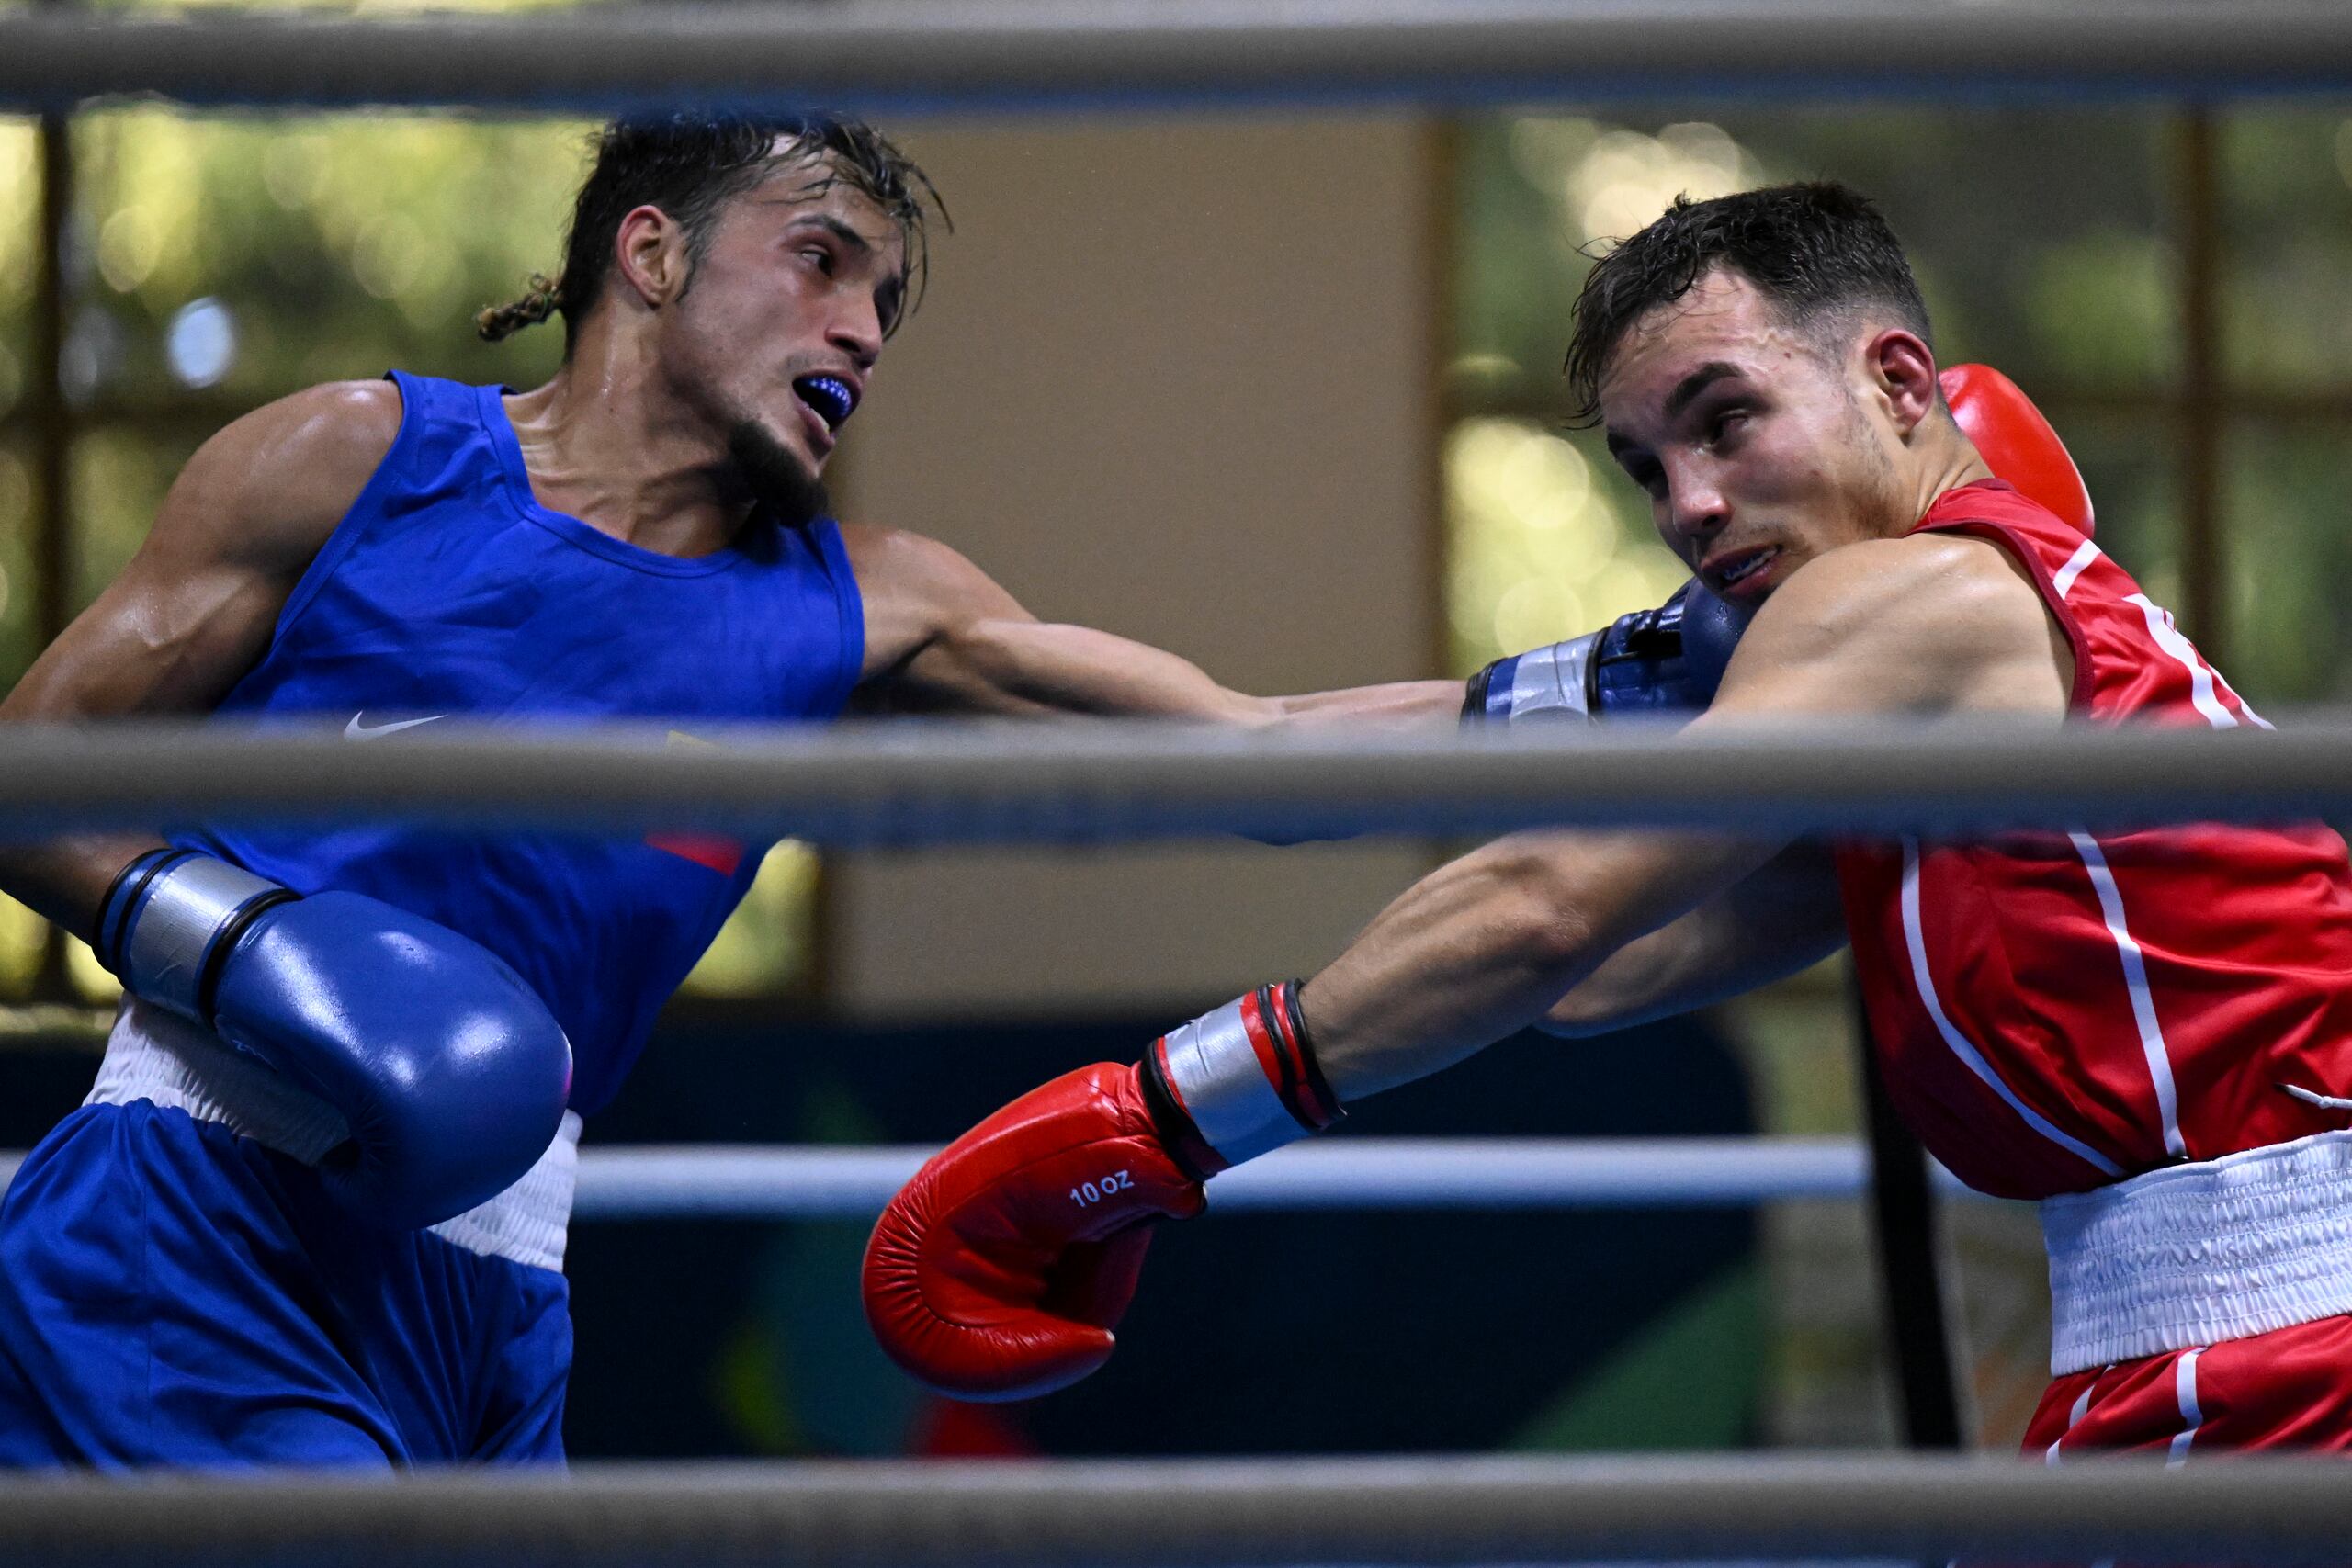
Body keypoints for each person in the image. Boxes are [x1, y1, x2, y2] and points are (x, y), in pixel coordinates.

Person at [0, 109, 1509, 1468]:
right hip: (200, 1211)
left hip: (498, 1287)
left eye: (885, 301)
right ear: (651, 256)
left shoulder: (868, 603)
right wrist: (248, 947)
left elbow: (1257, 748)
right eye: (822, 263)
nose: (861, 330)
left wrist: (1620, 694)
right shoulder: (364, 462)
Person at [867, 181, 2352, 1458]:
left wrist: (1164, 1119)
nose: (1693, 507)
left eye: (1728, 422)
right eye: (1651, 468)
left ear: (1902, 386)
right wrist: (1633, 694)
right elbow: (1590, 976)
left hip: (2287, 1345)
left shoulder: (1909, 594)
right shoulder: (1946, 676)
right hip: (2220, 1346)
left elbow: (1541, 909)